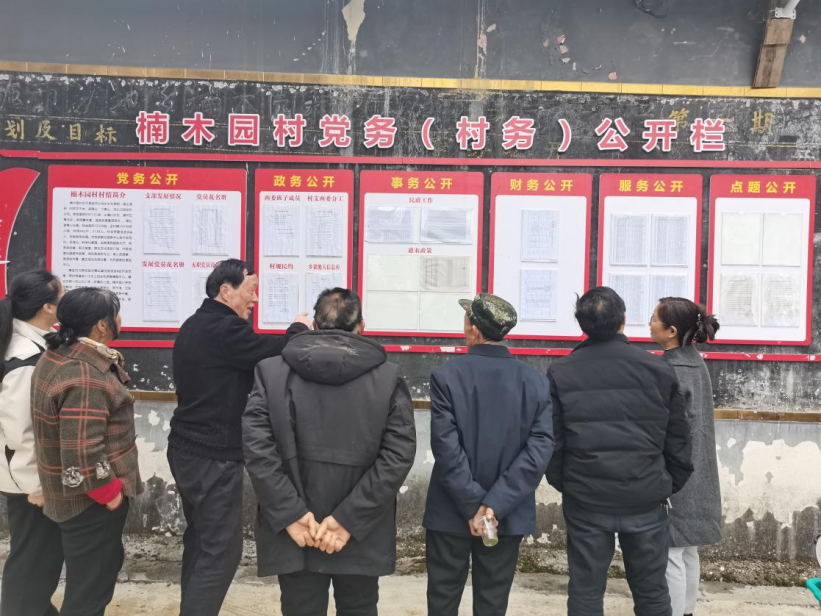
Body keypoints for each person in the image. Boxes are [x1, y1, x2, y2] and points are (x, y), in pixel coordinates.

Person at [243, 287, 416, 616]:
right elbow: (399, 454)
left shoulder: (271, 372)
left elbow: (257, 450)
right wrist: (348, 519)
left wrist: (290, 513)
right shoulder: (388, 378)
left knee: (300, 607)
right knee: (359, 607)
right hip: (360, 530)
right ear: (361, 326)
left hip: (298, 531)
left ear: (314, 324)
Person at [168, 259, 311, 616]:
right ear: (226, 290)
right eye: (251, 290)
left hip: (188, 449)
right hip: (211, 456)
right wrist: (300, 328)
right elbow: (274, 350)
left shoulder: (196, 324)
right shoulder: (223, 329)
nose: (255, 299)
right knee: (221, 552)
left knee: (201, 542)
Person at [546, 286, 693, 616]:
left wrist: (567, 483)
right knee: (652, 592)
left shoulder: (561, 371)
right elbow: (679, 438)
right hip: (645, 495)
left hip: (586, 496)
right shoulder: (658, 369)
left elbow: (553, 440)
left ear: (581, 324)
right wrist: (666, 484)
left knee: (585, 591)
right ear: (623, 320)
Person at [424, 293, 554, 616]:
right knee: (493, 602)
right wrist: (493, 506)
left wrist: (474, 506)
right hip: (505, 515)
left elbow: (445, 447)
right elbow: (539, 450)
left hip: (450, 510)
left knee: (442, 599)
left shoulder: (447, 376)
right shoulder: (535, 382)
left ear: (474, 329)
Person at [31, 287, 141, 616]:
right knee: (89, 595)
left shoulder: (61, 354)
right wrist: (110, 493)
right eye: (116, 314)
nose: (120, 320)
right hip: (90, 504)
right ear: (102, 325)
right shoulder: (85, 373)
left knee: (89, 583)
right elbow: (82, 451)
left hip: (72, 499)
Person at [649, 298, 722, 616]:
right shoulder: (695, 362)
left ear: (671, 331)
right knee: (688, 548)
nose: (650, 323)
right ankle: (687, 610)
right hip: (698, 466)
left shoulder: (670, 368)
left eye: (655, 318)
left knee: (671, 552)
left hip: (676, 468)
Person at [0, 270, 64, 616]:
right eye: (62, 295)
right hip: (29, 482)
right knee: (32, 558)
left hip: (31, 477)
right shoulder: (25, 357)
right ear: (48, 307)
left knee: (41, 556)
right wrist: (36, 487)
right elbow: (20, 431)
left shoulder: (36, 344)